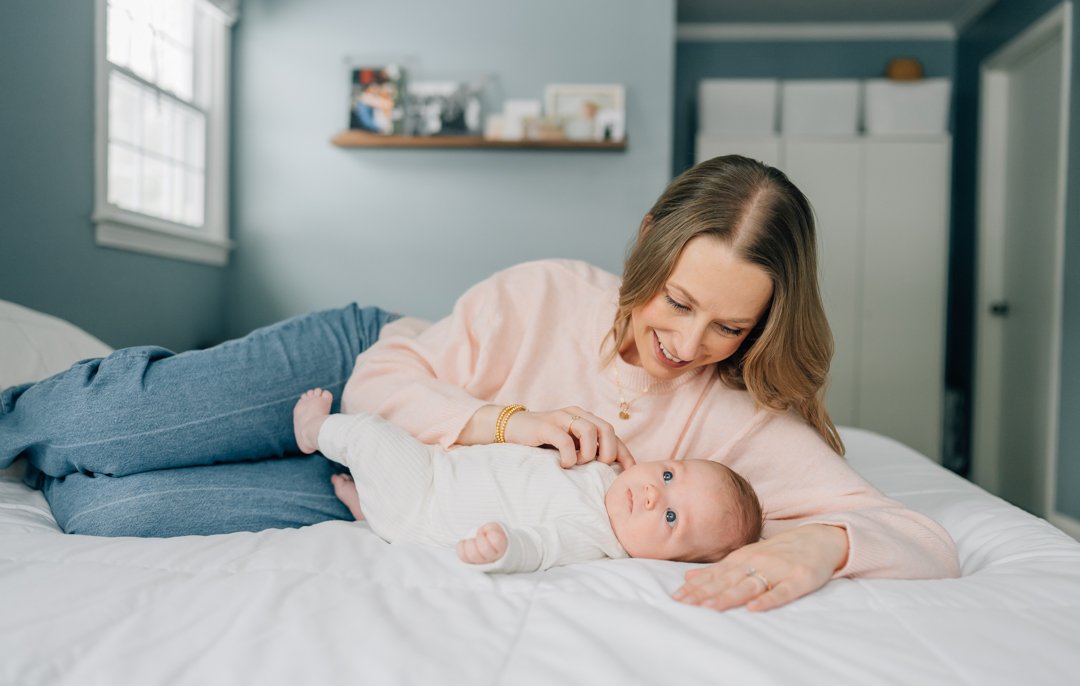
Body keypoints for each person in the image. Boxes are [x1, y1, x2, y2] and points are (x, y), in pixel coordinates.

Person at [0, 155, 961, 612]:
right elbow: (385, 383)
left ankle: (64, 462)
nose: (687, 341)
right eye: (676, 302)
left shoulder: (739, 423)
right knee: (107, 429)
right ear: (646, 248)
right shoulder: (550, 292)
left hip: (402, 491)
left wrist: (818, 551)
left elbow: (917, 535)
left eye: (730, 326)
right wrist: (508, 421)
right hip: (365, 370)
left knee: (111, 515)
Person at [291, 388, 763, 573]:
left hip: (426, 502)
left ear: (670, 560)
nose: (653, 493)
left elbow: (540, 547)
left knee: (372, 434)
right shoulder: (605, 473)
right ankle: (366, 509)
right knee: (391, 452)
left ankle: (315, 431)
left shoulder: (592, 534)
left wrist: (503, 550)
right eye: (667, 474)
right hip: (442, 465)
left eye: (671, 516)